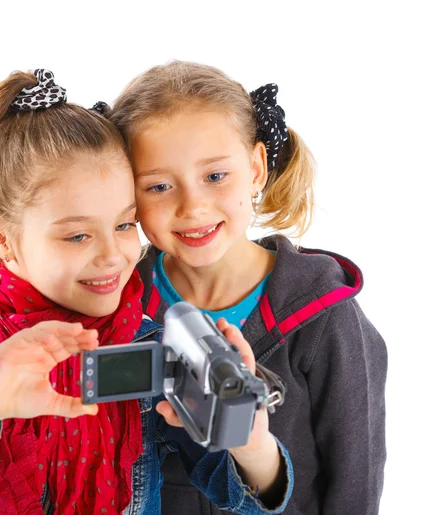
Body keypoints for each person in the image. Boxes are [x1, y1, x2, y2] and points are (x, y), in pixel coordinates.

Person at [0, 69, 294, 515]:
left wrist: (251, 443)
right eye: (77, 236)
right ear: (1, 239)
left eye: (123, 225)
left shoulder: (150, 351)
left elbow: (238, 496)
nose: (113, 256)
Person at [109, 60, 387, 515]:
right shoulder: (119, 303)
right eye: (158, 186)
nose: (193, 207)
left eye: (215, 176)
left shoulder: (324, 315)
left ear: (256, 168)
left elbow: (355, 478)